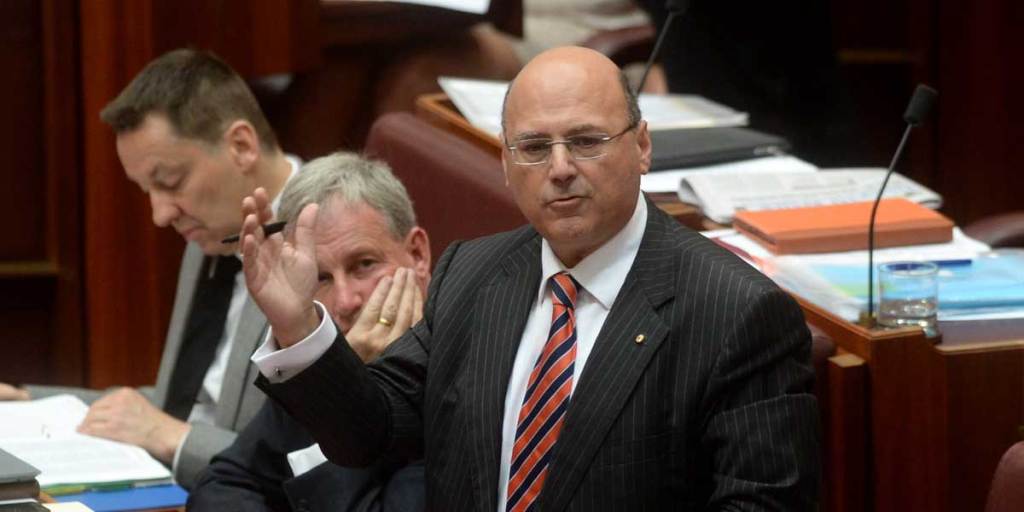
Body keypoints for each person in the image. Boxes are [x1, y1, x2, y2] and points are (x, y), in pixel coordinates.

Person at [242, 46, 820, 510]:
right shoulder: (472, 273)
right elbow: (370, 431)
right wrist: (298, 326)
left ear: (642, 147)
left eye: (587, 141)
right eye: (535, 148)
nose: (561, 168)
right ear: (506, 165)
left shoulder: (738, 313)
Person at [0, 48, 299, 488]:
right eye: (147, 191)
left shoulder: (327, 249)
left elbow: (304, 467)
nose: (160, 214)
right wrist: (29, 402)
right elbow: (177, 408)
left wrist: (170, 436)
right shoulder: (213, 231)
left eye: (171, 182)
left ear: (241, 146)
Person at [189, 153, 429, 511]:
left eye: (364, 264)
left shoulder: (457, 374)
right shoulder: (321, 350)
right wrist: (341, 377)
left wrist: (344, 392)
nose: (345, 301)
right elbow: (221, 483)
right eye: (321, 278)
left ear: (417, 253)